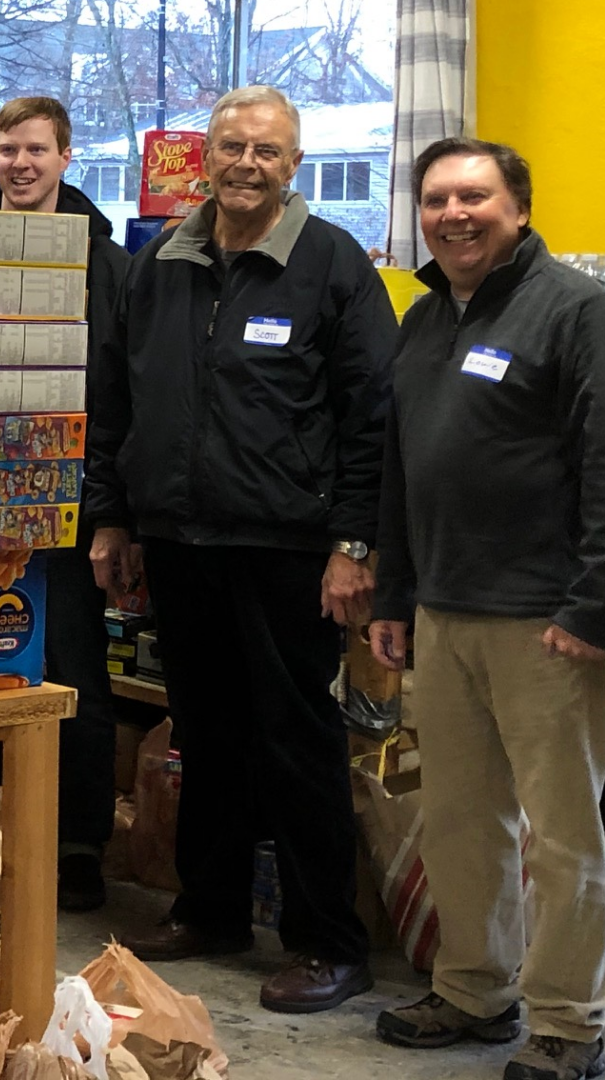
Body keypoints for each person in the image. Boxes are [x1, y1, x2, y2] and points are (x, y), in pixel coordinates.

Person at [85, 85, 395, 1013]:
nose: (246, 163)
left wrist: (354, 544)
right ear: (207, 158)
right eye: (232, 146)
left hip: (290, 546)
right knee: (207, 735)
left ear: (294, 164)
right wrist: (115, 515)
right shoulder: (163, 264)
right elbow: (118, 398)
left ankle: (327, 940)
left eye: (266, 149)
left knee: (296, 743)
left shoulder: (332, 265)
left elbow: (374, 418)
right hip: (181, 539)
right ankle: (211, 908)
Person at [370, 138, 605, 1080]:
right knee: (458, 817)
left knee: (562, 835)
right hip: (443, 614)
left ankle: (568, 1021)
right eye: (437, 197)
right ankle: (474, 988)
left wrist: (594, 609)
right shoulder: (424, 321)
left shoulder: (579, 310)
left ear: (518, 207)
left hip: (546, 624)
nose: (454, 213)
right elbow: (400, 474)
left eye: (475, 196)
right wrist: (395, 595)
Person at [0, 96, 130, 913]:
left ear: (65, 157)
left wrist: (108, 504)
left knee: (73, 670)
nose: (20, 164)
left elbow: (120, 386)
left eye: (36, 151)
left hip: (70, 499)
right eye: (7, 149)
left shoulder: (106, 261)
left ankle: (79, 843)